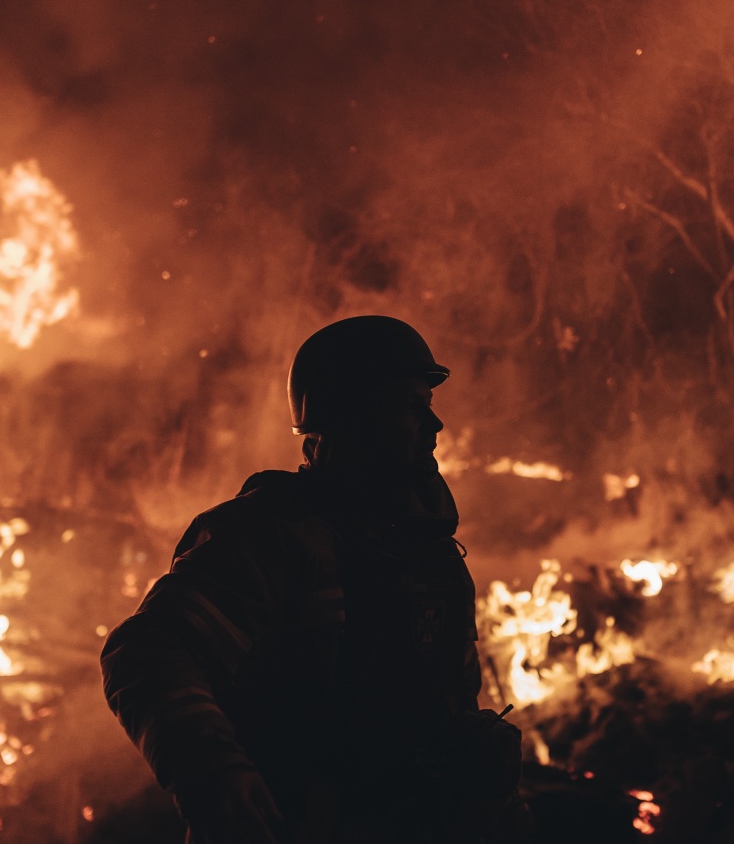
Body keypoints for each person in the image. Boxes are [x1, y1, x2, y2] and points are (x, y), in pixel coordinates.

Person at [101, 315, 530, 844]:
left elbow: (444, 702)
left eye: (429, 405)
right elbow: (146, 652)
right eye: (407, 406)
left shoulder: (432, 556)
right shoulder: (270, 536)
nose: (434, 426)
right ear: (350, 421)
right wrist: (213, 770)